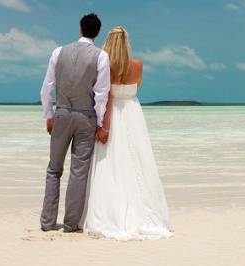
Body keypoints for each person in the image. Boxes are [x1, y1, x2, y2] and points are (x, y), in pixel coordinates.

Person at [80, 26, 172, 240]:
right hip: (132, 113)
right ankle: (146, 211)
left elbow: (109, 98)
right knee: (138, 161)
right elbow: (134, 89)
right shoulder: (137, 65)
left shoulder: (105, 65)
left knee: (111, 163)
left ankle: (113, 210)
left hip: (113, 115)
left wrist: (104, 126)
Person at [40, 13, 110, 233]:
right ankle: (70, 224)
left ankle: (48, 222)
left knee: (54, 170)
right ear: (97, 33)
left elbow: (46, 89)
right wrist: (100, 124)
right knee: (78, 172)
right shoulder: (101, 56)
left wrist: (49, 115)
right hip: (86, 117)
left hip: (61, 113)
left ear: (80, 29)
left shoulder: (58, 52)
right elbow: (101, 95)